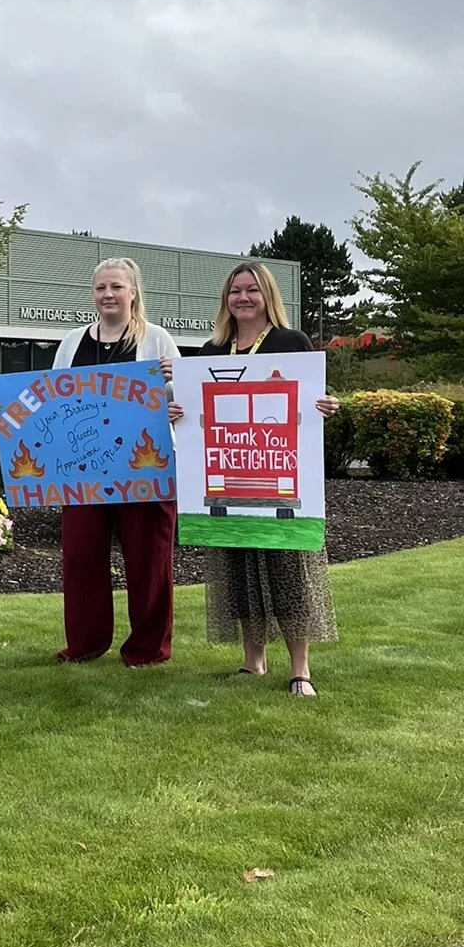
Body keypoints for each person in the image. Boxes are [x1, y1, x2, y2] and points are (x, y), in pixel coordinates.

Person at [0, 257, 180, 667]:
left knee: (149, 560)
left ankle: (147, 649)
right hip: (81, 473)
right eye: (101, 288)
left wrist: (172, 381)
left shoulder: (157, 340)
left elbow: (181, 401)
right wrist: (0, 396)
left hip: (143, 470)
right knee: (81, 558)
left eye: (116, 287)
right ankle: (85, 644)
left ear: (133, 292)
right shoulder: (72, 341)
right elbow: (48, 399)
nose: (108, 295)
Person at [187, 261, 340, 695]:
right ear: (226, 299)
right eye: (235, 291)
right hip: (229, 477)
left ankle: (300, 670)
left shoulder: (292, 342)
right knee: (240, 573)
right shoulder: (213, 350)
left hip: (279, 474)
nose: (243, 298)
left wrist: (324, 406)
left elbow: (310, 400)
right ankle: (253, 663)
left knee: (289, 575)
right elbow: (198, 410)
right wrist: (180, 413)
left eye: (252, 290)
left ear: (267, 295)